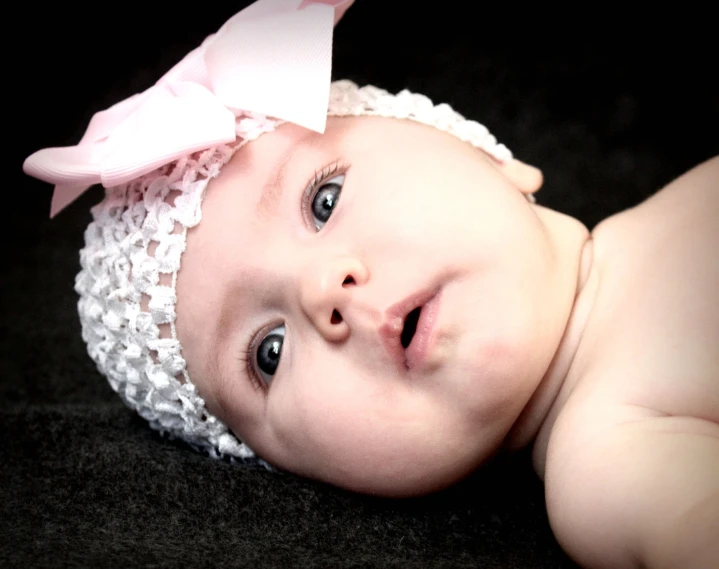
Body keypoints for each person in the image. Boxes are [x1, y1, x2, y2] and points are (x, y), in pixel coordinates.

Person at [22, 1, 718, 567]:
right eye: (268, 352)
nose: (321, 290)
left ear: (487, 154)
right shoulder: (609, 464)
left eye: (323, 201)